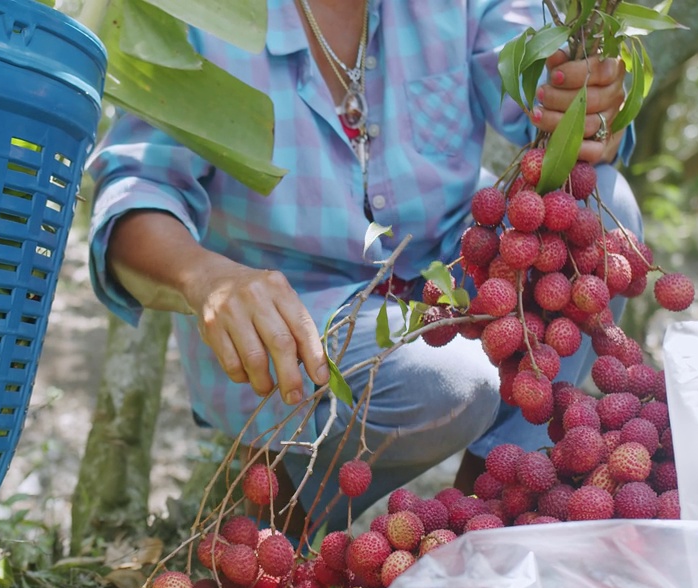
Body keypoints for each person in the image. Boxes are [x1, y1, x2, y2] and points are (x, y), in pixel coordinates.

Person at [85, 0, 640, 536]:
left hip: (450, 266)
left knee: (599, 211)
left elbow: (546, 90)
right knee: (449, 383)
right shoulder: (206, 17)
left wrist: (587, 105)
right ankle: (277, 512)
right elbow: (136, 192)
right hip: (290, 316)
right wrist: (205, 279)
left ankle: (496, 509)